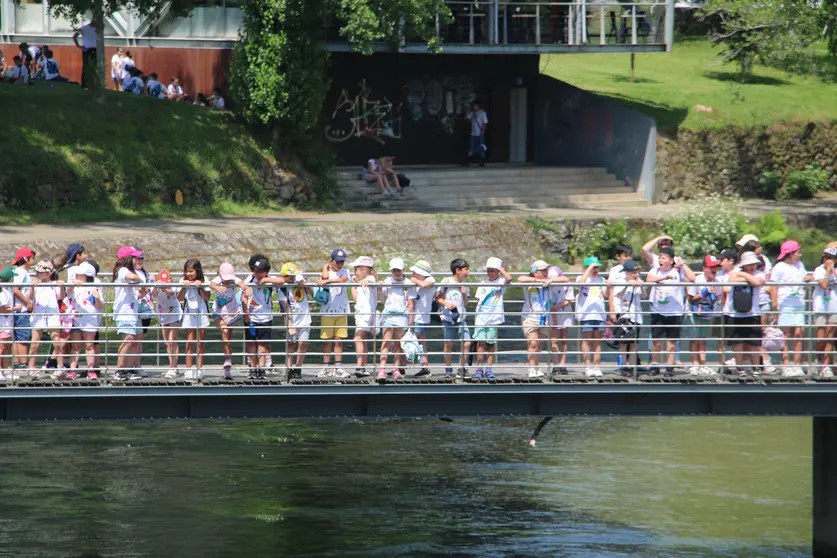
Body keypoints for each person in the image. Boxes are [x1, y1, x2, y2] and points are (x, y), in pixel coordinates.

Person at [646, 246, 695, 374]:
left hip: (674, 312)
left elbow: (692, 278)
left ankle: (669, 366)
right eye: (660, 258)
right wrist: (663, 278)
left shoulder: (677, 271)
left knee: (671, 341)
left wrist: (682, 264)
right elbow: (649, 280)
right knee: (656, 340)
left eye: (663, 258)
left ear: (671, 260)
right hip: (658, 310)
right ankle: (655, 365)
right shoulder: (655, 270)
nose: (660, 260)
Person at [770, 240, 812, 376]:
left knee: (799, 333)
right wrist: (775, 307)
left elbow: (805, 276)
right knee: (786, 335)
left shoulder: (800, 265)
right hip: (785, 304)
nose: (800, 255)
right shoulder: (779, 267)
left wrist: (809, 278)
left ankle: (797, 365)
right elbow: (773, 287)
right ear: (790, 254)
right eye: (798, 252)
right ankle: (786, 365)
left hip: (799, 303)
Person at [721, 251, 767, 375]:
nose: (752, 267)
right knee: (737, 342)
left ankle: (756, 367)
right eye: (749, 264)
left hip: (753, 313)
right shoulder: (734, 272)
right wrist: (744, 275)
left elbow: (758, 282)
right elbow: (729, 282)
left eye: (754, 264)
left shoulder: (759, 273)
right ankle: (740, 367)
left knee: (753, 342)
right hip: (733, 313)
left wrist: (742, 275)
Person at [242, 256, 285, 379]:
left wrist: (266, 281)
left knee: (262, 344)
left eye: (260, 271)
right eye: (255, 271)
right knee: (251, 343)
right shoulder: (249, 279)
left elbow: (282, 280)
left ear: (266, 272)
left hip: (265, 317)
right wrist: (246, 314)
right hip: (251, 317)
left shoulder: (270, 280)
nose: (257, 274)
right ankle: (252, 369)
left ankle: (261, 369)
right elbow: (244, 297)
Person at [473, 257, 512, 380]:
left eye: (493, 271)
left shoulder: (501, 282)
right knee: (480, 343)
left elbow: (509, 278)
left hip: (493, 317)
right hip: (481, 316)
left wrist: (501, 269)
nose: (491, 273)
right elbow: (478, 300)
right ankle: (479, 367)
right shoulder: (483, 283)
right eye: (489, 271)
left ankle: (489, 368)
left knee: (491, 343)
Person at [112, 247, 147, 381]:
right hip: (124, 312)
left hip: (134, 311)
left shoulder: (131, 271)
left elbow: (136, 292)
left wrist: (142, 291)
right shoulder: (123, 270)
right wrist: (140, 279)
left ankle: (129, 369)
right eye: (135, 257)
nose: (138, 260)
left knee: (136, 340)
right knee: (129, 339)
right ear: (128, 259)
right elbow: (130, 277)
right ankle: (120, 370)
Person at [685, 255, 723, 376]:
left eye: (716, 267)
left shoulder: (717, 282)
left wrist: (714, 296)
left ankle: (703, 364)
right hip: (694, 313)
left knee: (703, 339)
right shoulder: (697, 280)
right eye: (712, 267)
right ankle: (694, 364)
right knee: (694, 339)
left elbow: (715, 301)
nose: (714, 270)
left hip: (707, 313)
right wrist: (703, 293)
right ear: (704, 268)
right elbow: (691, 299)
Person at [518, 260, 556, 378]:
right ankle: (531, 368)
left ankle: (537, 366)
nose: (546, 272)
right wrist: (537, 280)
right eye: (543, 270)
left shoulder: (548, 281)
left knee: (539, 344)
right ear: (535, 272)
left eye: (546, 270)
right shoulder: (529, 282)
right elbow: (520, 279)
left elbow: (565, 279)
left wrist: (550, 280)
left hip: (544, 317)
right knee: (533, 343)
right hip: (529, 317)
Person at [28, 260, 65, 379]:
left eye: (40, 272)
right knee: (35, 343)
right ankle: (31, 368)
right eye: (37, 272)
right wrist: (33, 287)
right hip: (38, 315)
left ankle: (60, 367)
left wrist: (61, 286)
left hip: (52, 315)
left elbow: (61, 297)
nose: (37, 274)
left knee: (57, 342)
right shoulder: (36, 283)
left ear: (48, 273)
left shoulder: (54, 284)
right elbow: (31, 298)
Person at [316, 248, 351, 377]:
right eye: (337, 262)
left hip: (341, 310)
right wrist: (326, 267)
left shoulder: (345, 271)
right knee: (327, 340)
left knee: (339, 340)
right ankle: (326, 367)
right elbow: (324, 277)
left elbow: (342, 280)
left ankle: (338, 367)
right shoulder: (327, 272)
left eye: (342, 262)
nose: (340, 264)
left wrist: (328, 281)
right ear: (332, 261)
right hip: (328, 311)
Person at [435, 258, 471, 379]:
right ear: (458, 270)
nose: (468, 272)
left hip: (461, 317)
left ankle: (461, 368)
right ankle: (448, 369)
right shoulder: (446, 281)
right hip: (448, 317)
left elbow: (466, 303)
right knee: (448, 343)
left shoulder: (464, 284)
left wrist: (464, 293)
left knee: (467, 342)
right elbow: (437, 298)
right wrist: (447, 305)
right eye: (466, 269)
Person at [608, 258, 644, 375]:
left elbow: (644, 296)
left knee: (633, 343)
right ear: (627, 272)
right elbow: (618, 295)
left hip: (637, 316)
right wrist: (627, 285)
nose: (636, 274)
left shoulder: (639, 281)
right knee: (624, 342)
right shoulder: (621, 281)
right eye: (633, 272)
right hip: (625, 316)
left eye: (637, 272)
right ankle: (624, 366)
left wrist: (642, 286)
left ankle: (633, 367)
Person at [176, 259, 210, 380]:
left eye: (191, 271)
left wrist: (200, 287)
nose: (189, 274)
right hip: (189, 313)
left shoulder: (204, 279)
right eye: (187, 272)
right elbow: (179, 298)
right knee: (190, 341)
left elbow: (207, 297)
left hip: (202, 313)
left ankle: (199, 369)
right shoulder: (182, 280)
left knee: (200, 342)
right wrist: (184, 287)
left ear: (197, 271)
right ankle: (189, 369)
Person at [68, 261, 102, 378]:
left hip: (90, 318)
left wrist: (97, 297)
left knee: (89, 345)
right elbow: (67, 290)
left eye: (80, 274)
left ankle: (91, 370)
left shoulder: (96, 283)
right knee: (75, 346)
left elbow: (100, 305)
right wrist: (73, 283)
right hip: (76, 317)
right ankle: (72, 370)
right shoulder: (74, 283)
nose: (77, 275)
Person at [575, 256, 608, 377]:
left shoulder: (601, 279)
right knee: (586, 340)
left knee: (598, 341)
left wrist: (609, 286)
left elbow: (605, 293)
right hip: (586, 314)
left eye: (597, 267)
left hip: (599, 314)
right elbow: (580, 284)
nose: (596, 270)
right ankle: (588, 366)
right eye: (594, 267)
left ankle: (596, 366)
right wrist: (588, 269)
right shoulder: (582, 278)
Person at [278, 263, 312, 381]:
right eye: (289, 276)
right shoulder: (282, 289)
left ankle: (298, 368)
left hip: (305, 318)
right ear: (284, 276)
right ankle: (289, 367)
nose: (292, 278)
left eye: (293, 276)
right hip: (292, 320)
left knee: (303, 343)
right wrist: (290, 325)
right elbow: (285, 308)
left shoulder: (299, 279)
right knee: (291, 344)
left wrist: (306, 284)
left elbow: (311, 292)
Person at [378, 258, 410, 380]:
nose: (396, 272)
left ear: (403, 270)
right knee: (386, 341)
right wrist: (380, 289)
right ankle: (382, 369)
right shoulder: (387, 281)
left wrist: (410, 320)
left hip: (402, 316)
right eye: (394, 270)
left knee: (398, 344)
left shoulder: (408, 283)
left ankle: (396, 368)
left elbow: (411, 303)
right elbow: (383, 300)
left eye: (398, 270)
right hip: (389, 315)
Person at [350, 256, 378, 378]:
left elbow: (372, 279)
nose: (354, 272)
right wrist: (354, 285)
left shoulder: (370, 278)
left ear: (363, 269)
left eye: (356, 269)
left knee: (357, 338)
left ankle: (360, 366)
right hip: (360, 313)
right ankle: (364, 365)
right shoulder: (360, 283)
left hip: (366, 314)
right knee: (363, 340)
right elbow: (355, 299)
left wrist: (366, 280)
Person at [408, 260, 436, 377]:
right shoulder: (417, 282)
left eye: (415, 272)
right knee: (417, 339)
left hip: (421, 316)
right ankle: (422, 365)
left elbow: (424, 284)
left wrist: (414, 280)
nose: (413, 274)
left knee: (417, 339)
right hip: (413, 314)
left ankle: (423, 365)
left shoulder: (430, 279)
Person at [813, 247, 837, 377]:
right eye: (826, 257)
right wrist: (828, 271)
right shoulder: (819, 270)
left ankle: (826, 365)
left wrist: (833, 269)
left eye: (831, 257)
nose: (828, 260)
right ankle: (818, 361)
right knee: (820, 337)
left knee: (830, 338)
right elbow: (823, 284)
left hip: (834, 307)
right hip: (821, 307)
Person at [11, 248, 36, 374]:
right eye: (32, 258)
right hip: (21, 310)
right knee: (23, 338)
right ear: (26, 259)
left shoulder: (17, 271)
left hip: (18, 310)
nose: (34, 260)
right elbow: (16, 289)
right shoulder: (21, 272)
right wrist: (27, 302)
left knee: (17, 337)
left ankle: (17, 362)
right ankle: (22, 363)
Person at [548, 265, 574, 376]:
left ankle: (563, 363)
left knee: (564, 339)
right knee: (554, 339)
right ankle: (555, 364)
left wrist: (557, 307)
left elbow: (568, 301)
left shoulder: (567, 285)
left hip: (564, 312)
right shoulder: (548, 286)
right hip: (553, 313)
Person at [157, 267, 182, 378]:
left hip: (173, 313)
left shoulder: (172, 287)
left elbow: (170, 293)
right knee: (167, 342)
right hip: (163, 314)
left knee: (173, 341)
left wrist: (164, 286)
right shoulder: (158, 286)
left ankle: (174, 367)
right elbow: (152, 294)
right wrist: (154, 283)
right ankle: (171, 365)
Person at [0, 267, 18, 380]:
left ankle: (5, 370)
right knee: (1, 348)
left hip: (7, 324)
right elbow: (1, 309)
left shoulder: (8, 291)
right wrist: (15, 308)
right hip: (1, 325)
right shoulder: (1, 292)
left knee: (6, 348)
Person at [72, 18, 98, 89]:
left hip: (95, 50)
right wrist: (78, 46)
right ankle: (85, 85)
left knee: (94, 67)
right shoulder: (84, 28)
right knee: (86, 66)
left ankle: (92, 84)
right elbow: (74, 36)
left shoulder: (98, 29)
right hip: (87, 49)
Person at [466, 100, 488, 167]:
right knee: (471, 148)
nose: (473, 107)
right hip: (473, 134)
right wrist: (468, 110)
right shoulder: (472, 113)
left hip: (480, 134)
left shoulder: (482, 113)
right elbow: (466, 118)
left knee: (481, 148)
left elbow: (484, 123)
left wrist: (483, 132)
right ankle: (468, 162)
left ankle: (482, 162)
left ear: (477, 106)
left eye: (474, 105)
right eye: (473, 106)